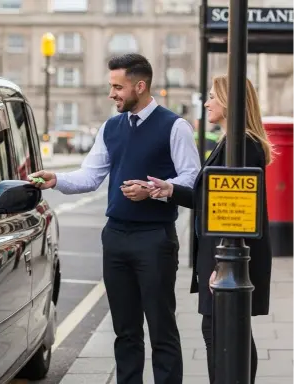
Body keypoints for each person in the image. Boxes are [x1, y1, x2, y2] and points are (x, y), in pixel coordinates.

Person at [28, 53, 201, 384]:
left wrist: (154, 189)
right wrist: (57, 180)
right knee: (125, 331)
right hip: (116, 238)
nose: (112, 94)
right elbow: (90, 176)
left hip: (155, 239)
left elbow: (191, 179)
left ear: (140, 85)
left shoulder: (174, 126)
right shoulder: (111, 128)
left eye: (117, 87)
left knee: (161, 329)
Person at [146, 75, 273, 384]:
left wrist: (224, 265)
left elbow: (236, 210)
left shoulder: (242, 145)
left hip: (228, 256)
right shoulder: (231, 142)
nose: (206, 103)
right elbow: (212, 198)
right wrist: (169, 189)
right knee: (229, 330)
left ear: (229, 102)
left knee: (224, 332)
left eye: (213, 97)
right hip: (223, 255)